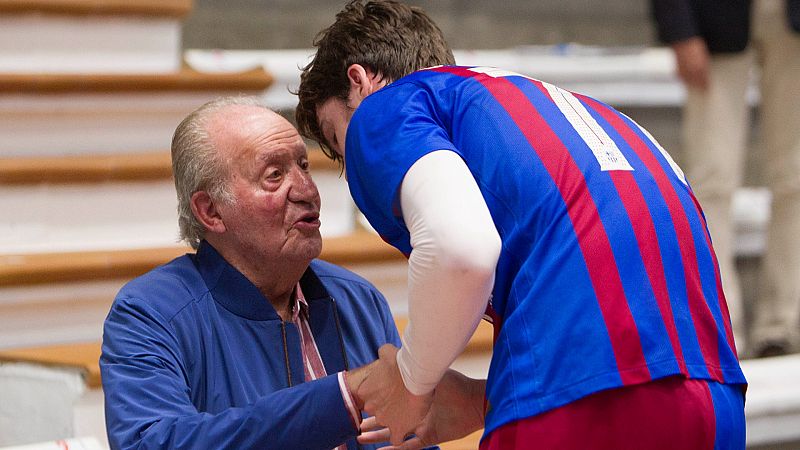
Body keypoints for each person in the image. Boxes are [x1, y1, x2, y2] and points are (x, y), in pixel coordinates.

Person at [296, 1, 747, 449]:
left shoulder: (386, 108)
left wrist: (411, 382)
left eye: (338, 138)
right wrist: (482, 402)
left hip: (582, 407)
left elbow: (461, 251)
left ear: (360, 81)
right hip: (714, 400)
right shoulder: (593, 116)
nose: (350, 162)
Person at [100, 96, 402, 449]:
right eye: (274, 175)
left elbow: (415, 438)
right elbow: (154, 444)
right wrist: (342, 398)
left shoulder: (358, 299)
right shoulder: (150, 314)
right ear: (211, 211)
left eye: (304, 166)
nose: (307, 191)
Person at [651, 0, 800, 357]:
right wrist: (679, 28)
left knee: (795, 178)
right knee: (711, 177)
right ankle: (720, 323)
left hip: (791, 24)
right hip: (716, 20)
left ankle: (781, 325)